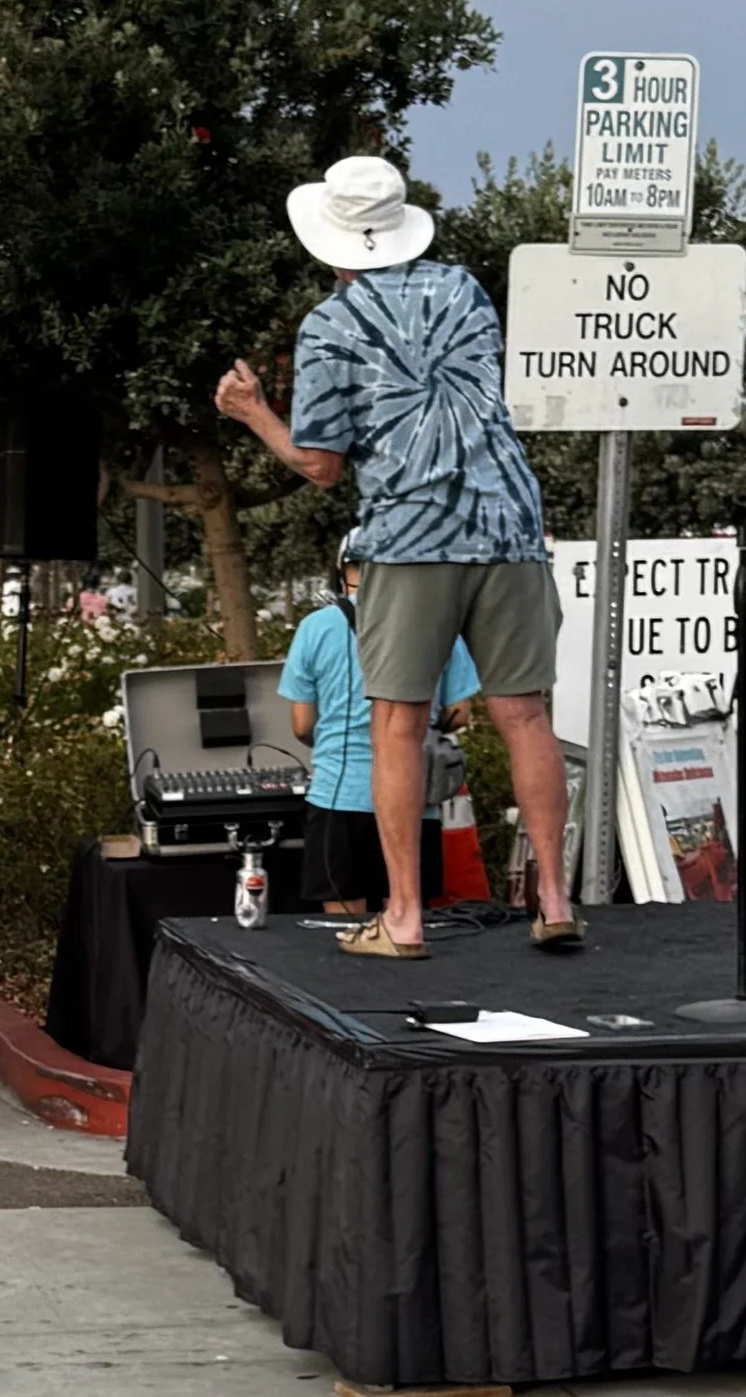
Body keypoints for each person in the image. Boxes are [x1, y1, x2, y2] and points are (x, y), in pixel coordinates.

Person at [216, 153, 580, 959]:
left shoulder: (330, 324)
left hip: (411, 537)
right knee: (524, 715)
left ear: (332, 243)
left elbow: (319, 464)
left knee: (397, 723)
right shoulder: (463, 290)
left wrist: (252, 412)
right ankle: (554, 899)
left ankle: (406, 917)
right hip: (509, 522)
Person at [284, 538, 479, 917]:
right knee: (406, 916)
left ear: (342, 572)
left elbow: (302, 723)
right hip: (414, 795)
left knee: (344, 921)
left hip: (339, 795)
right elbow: (459, 712)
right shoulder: (438, 625)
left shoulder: (315, 627)